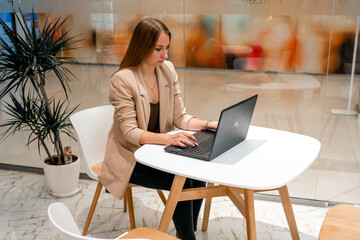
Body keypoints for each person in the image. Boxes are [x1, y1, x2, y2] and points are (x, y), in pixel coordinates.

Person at [98, 17, 217, 240]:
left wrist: (209, 124)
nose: (166, 55)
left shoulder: (167, 70)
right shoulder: (122, 80)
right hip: (130, 157)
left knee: (196, 175)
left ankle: (185, 233)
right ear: (142, 47)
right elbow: (130, 133)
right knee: (180, 181)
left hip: (155, 151)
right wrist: (168, 140)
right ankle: (187, 236)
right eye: (158, 49)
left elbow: (180, 117)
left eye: (167, 48)